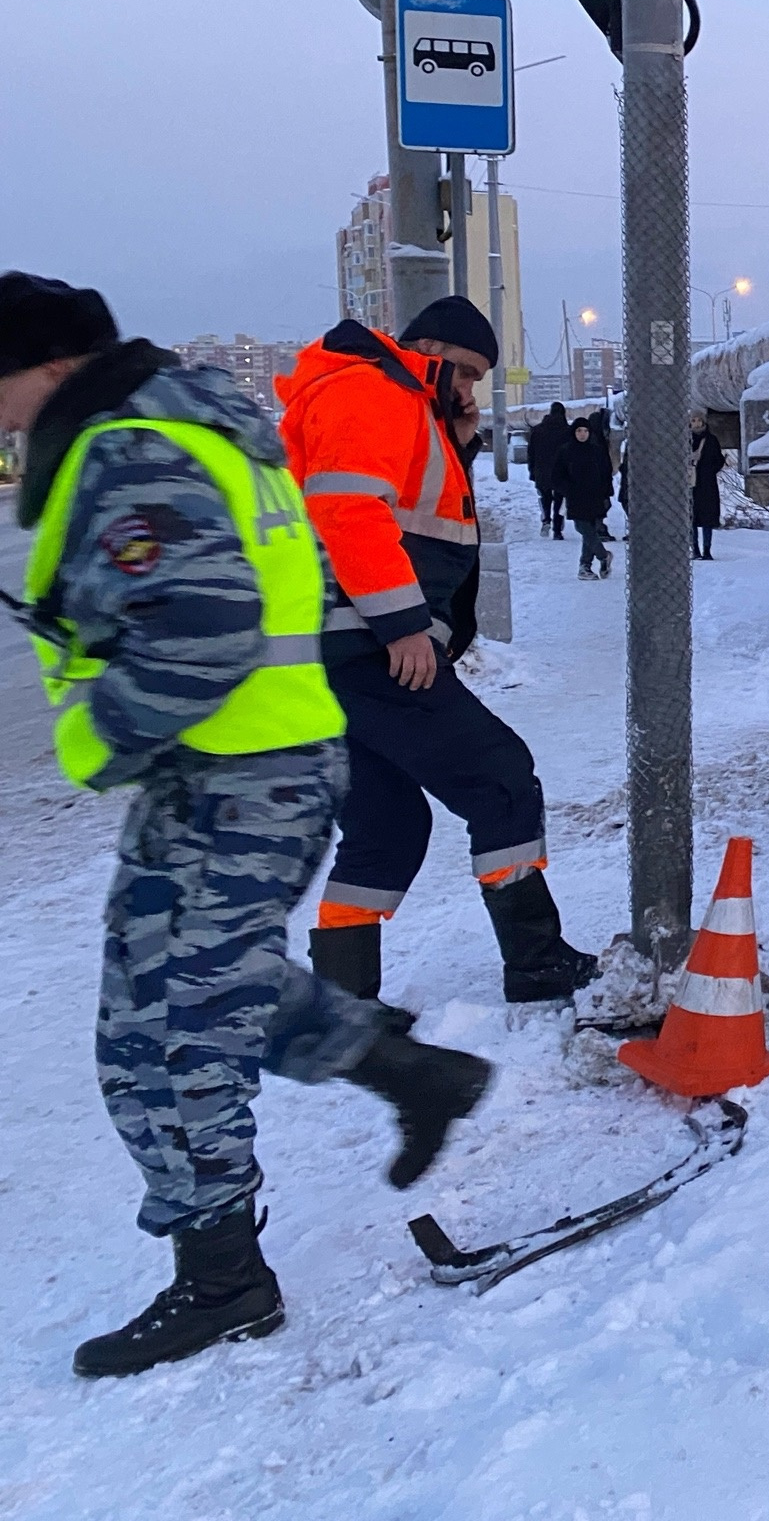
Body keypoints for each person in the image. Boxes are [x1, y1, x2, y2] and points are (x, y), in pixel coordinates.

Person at [0, 273, 492, 1378]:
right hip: (239, 766)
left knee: (169, 1031)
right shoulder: (185, 426)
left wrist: (112, 735)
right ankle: (408, 1074)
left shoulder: (129, 448)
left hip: (239, 773)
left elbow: (205, 630)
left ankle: (222, 1280)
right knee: (196, 996)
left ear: (44, 368)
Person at [275, 296, 597, 1007]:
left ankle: (343, 1004)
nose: (471, 391)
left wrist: (458, 438)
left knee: (386, 823)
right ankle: (536, 961)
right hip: (367, 644)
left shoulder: (394, 401)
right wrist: (401, 625)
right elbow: (349, 512)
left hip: (336, 647)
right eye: (469, 374)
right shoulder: (371, 389)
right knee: (500, 778)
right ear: (431, 351)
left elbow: (414, 507)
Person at [554, 415, 615, 578]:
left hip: (596, 497)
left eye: (586, 431)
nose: (582, 434)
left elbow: (606, 473)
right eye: (579, 430)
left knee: (591, 531)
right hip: (576, 498)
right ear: (573, 432)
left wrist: (606, 494)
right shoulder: (565, 451)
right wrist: (567, 490)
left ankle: (585, 566)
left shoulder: (597, 451)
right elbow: (557, 476)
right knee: (582, 528)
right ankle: (603, 556)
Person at [526, 401, 571, 540]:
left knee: (545, 497)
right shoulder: (568, 431)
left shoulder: (538, 430)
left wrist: (532, 471)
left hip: (542, 470)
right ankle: (557, 530)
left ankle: (546, 519)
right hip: (561, 471)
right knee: (559, 499)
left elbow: (531, 453)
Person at [689, 412, 725, 560]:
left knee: (707, 519)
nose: (697, 423)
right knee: (691, 518)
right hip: (691, 484)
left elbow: (719, 460)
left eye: (699, 420)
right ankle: (695, 549)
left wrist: (709, 471)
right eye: (693, 420)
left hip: (707, 484)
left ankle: (707, 549)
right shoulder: (685, 440)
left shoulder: (711, 440)